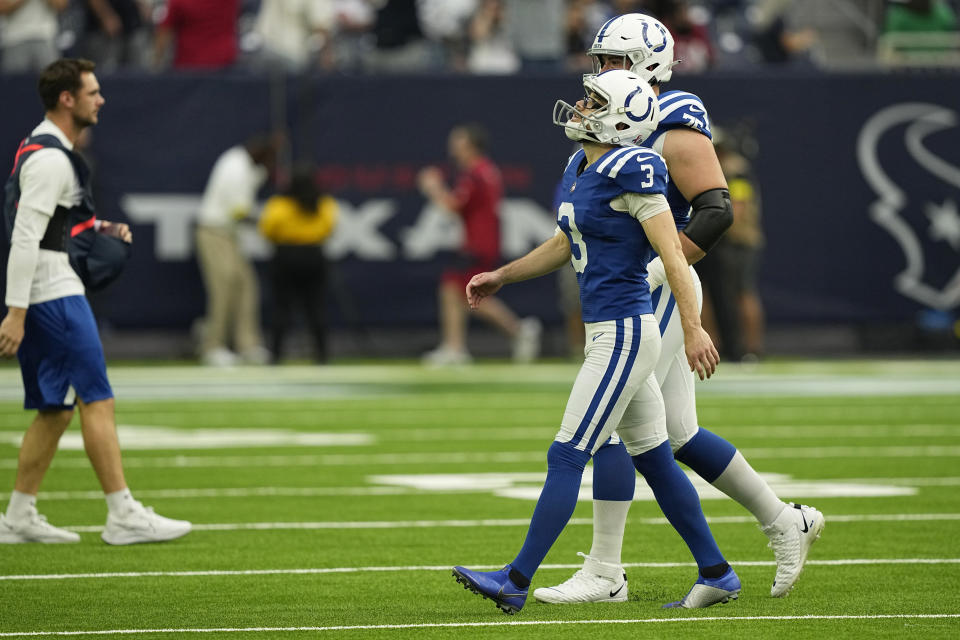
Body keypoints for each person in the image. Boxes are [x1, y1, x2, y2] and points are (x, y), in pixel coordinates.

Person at [534, 13, 823, 605]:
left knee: (613, 423)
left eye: (615, 60)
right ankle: (781, 521)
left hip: (654, 285)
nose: (603, 71)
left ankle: (606, 571)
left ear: (649, 64)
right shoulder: (608, 114)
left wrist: (661, 266)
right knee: (679, 434)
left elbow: (716, 209)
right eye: (601, 60)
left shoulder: (673, 118)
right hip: (629, 283)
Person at [452, 69, 739, 614]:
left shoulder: (635, 168)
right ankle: (717, 572)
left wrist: (694, 324)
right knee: (653, 457)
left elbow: (673, 256)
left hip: (625, 333)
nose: (582, 106)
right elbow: (565, 242)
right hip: (608, 330)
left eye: (594, 100)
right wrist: (502, 276)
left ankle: (514, 579)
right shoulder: (584, 164)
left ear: (622, 116)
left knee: (566, 454)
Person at [0, 58, 191, 545]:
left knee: (55, 410)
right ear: (68, 98)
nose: (101, 99)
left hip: (46, 290)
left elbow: (49, 227)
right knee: (97, 399)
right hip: (53, 294)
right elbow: (25, 236)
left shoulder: (42, 147)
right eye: (92, 92)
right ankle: (122, 513)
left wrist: (95, 228)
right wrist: (16, 311)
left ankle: (18, 515)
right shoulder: (50, 159)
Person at [418, 123, 541, 366]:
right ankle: (455, 346)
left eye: (459, 143)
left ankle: (518, 330)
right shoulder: (485, 170)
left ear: (471, 146)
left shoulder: (475, 173)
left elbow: (453, 206)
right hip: (482, 241)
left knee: (469, 293)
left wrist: (432, 188)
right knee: (452, 288)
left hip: (478, 243)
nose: (453, 148)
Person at [195, 134, 278, 367]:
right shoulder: (236, 167)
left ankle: (248, 345)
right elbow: (240, 212)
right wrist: (272, 223)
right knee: (224, 286)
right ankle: (212, 347)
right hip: (213, 232)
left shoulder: (246, 164)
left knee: (246, 285)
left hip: (229, 235)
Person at [258, 166, 338, 363]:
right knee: (315, 308)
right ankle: (321, 355)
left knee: (282, 308)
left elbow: (267, 229)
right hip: (313, 257)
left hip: (286, 257)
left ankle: (276, 355)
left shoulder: (280, 205)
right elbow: (330, 227)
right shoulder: (324, 204)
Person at [0, 0, 67, 74]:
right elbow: (2, 8)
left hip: (45, 37)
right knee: (13, 84)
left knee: (54, 82)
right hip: (14, 40)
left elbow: (61, 5)